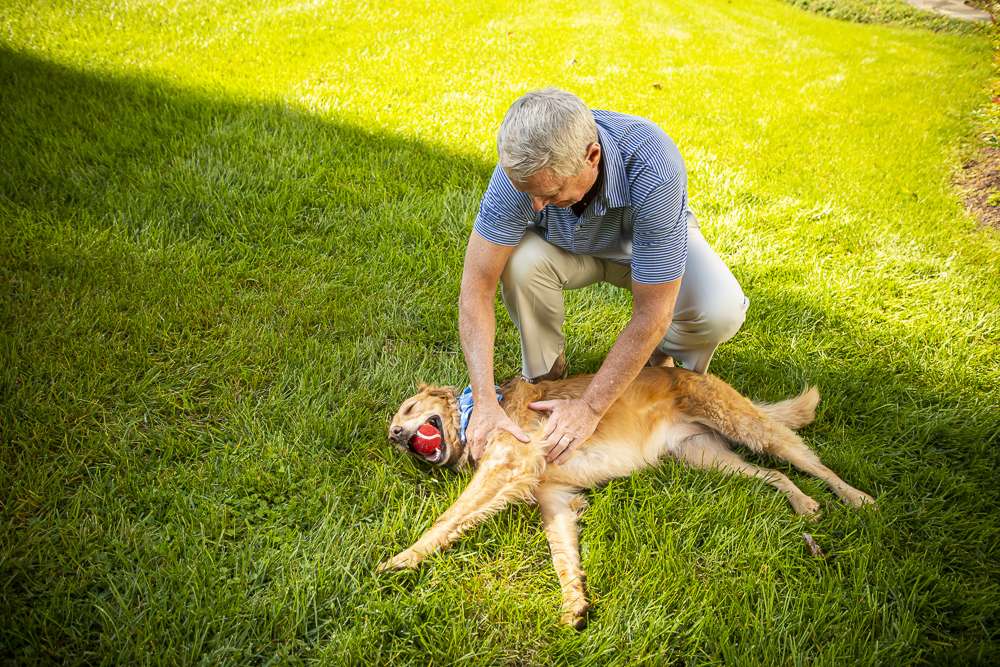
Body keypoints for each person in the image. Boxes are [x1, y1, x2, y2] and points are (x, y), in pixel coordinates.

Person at [459, 88, 748, 465]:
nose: (535, 206)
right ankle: (547, 377)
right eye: (527, 192)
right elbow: (476, 287)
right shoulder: (523, 175)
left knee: (718, 310)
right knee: (521, 261)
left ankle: (662, 364)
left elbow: (652, 313)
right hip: (567, 247)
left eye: (551, 192)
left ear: (591, 157)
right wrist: (483, 401)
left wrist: (590, 408)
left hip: (644, 249)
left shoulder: (653, 166)